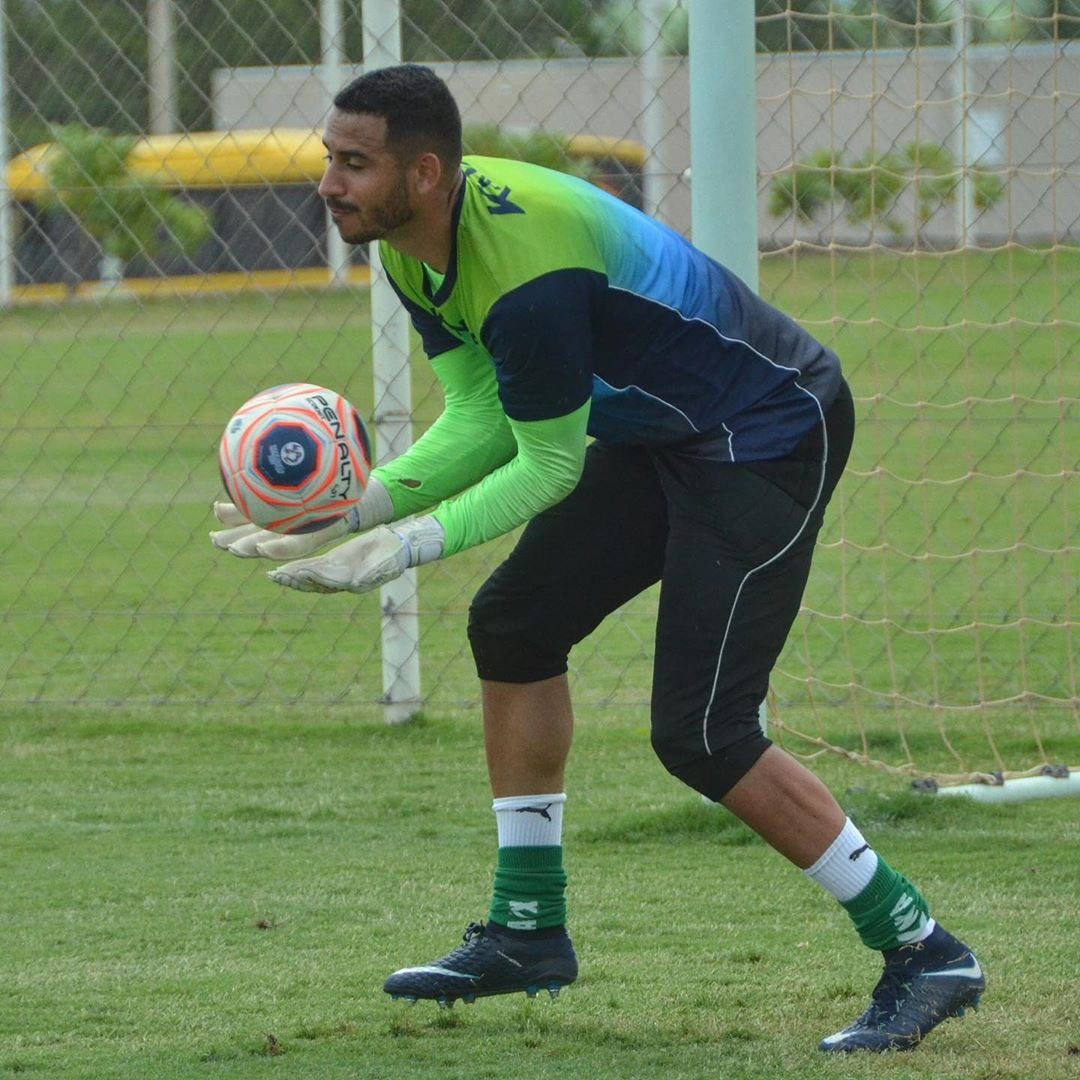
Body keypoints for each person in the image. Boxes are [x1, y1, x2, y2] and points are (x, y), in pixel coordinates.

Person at [211, 64, 985, 1053]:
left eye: (353, 164)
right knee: (514, 627)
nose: (329, 183)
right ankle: (527, 930)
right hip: (665, 431)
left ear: (425, 172)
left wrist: (400, 546)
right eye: (330, 158)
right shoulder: (408, 246)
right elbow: (485, 414)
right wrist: (353, 507)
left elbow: (548, 464)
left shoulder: (526, 273)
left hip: (767, 430)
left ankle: (925, 950)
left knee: (703, 733)